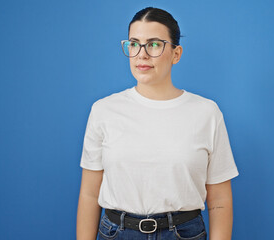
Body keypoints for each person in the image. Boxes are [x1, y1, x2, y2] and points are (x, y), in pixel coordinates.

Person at [76, 7, 239, 240]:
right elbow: (90, 195)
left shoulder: (206, 112)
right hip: (116, 233)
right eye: (134, 43)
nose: (141, 54)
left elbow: (220, 201)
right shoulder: (103, 110)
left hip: (183, 233)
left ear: (176, 53)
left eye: (154, 44)